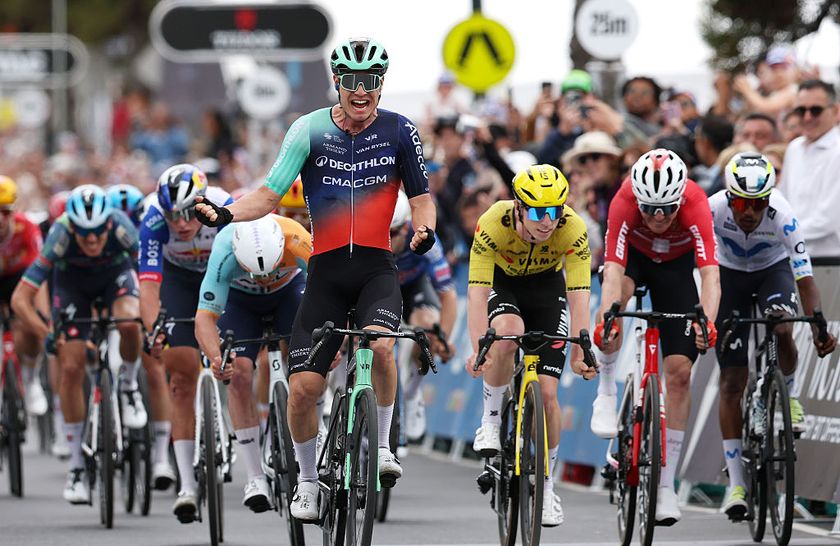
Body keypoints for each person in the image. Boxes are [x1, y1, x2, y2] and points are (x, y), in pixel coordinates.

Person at [192, 37, 436, 522]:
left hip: (374, 269)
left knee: (382, 346)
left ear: (381, 85)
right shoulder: (308, 129)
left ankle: (383, 444)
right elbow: (267, 195)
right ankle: (306, 481)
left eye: (370, 83)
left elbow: (421, 195)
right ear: (338, 83)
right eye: (352, 82)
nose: (361, 92)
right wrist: (224, 214)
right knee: (304, 388)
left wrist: (423, 228)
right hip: (324, 273)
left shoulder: (400, 131)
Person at [590, 149, 720, 526]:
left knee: (679, 373)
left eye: (666, 209)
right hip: (634, 260)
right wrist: (609, 316)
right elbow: (613, 269)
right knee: (614, 312)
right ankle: (607, 391)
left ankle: (665, 484)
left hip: (676, 270)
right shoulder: (624, 200)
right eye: (649, 209)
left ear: (680, 197)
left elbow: (711, 275)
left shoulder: (696, 203)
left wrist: (706, 322)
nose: (658, 217)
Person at [709, 152, 837, 520]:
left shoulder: (782, 215)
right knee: (732, 380)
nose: (750, 211)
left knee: (782, 324)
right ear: (729, 197)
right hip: (728, 274)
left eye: (759, 204)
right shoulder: (713, 208)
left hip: (771, 270)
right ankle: (737, 484)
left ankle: (789, 392)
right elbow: (698, 263)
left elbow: (805, 277)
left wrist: (818, 324)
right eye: (743, 203)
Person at [465, 164, 595, 527]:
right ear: (518, 207)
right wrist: (479, 348)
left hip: (546, 292)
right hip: (502, 284)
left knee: (549, 396)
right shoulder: (493, 222)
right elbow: (476, 293)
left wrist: (583, 348)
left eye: (555, 211)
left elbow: (579, 295)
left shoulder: (573, 229)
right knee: (506, 333)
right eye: (538, 211)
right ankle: (490, 421)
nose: (547, 221)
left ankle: (548, 486)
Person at [11, 185, 142, 505]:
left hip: (116, 279)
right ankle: (77, 467)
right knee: (70, 367)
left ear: (109, 224)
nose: (93, 240)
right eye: (85, 234)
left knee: (128, 322)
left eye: (98, 232)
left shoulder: (122, 229)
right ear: (73, 227)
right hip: (73, 289)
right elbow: (20, 299)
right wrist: (46, 334)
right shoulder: (61, 234)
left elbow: (152, 276)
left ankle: (128, 386)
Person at [195, 214, 311, 513]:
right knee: (239, 373)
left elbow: (329, 295)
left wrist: (331, 346)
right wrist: (217, 359)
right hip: (241, 301)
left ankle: (316, 423)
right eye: (253, 271)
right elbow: (205, 318)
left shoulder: (297, 239)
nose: (262, 279)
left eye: (268, 271)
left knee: (312, 359)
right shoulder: (223, 249)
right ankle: (254, 476)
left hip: (290, 291)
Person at [137, 163, 233, 521]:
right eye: (173, 215)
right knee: (180, 378)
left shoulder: (225, 207)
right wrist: (154, 330)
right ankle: (187, 486)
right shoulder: (153, 220)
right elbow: (148, 288)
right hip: (177, 280)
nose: (180, 224)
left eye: (188, 213)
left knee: (237, 361)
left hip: (222, 274)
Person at [389, 191, 457, 441]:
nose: (390, 240)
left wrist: (443, 337)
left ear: (406, 226)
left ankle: (413, 393)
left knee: (428, 330)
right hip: (381, 287)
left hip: (413, 288)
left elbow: (448, 295)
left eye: (395, 232)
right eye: (385, 233)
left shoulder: (425, 240)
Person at [0, 175, 47, 416]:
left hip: (19, 280)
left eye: (5, 212)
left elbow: (37, 279)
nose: (0, 219)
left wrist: (41, 316)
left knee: (30, 325)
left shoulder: (27, 227)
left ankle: (31, 379)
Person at [778, 80, 840, 259]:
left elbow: (828, 219)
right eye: (800, 110)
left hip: (829, 259)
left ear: (835, 111)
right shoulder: (794, 148)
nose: (807, 117)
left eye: (815, 110)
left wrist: (780, 235)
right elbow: (783, 200)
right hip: (793, 255)